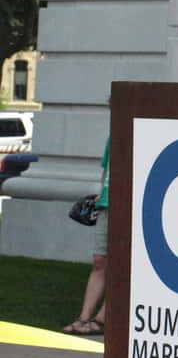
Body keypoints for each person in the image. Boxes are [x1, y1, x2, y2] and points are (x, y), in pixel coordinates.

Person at [62, 136, 109, 336]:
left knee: (121, 266)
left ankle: (102, 319)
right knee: (99, 261)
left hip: (126, 204)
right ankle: (84, 318)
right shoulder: (113, 136)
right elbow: (106, 171)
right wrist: (102, 192)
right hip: (106, 204)